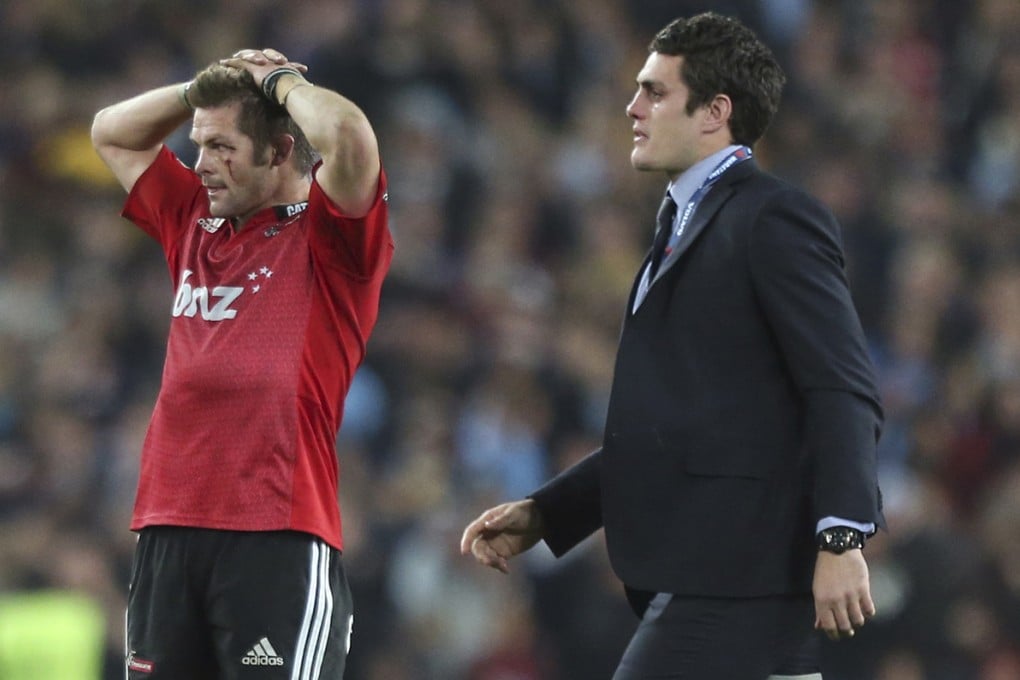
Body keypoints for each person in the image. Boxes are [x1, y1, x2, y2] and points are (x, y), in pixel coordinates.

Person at [461, 13, 884, 679]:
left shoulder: (771, 217)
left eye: (655, 92)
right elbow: (674, 430)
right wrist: (550, 512)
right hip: (722, 574)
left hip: (738, 571)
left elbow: (842, 385)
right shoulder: (680, 225)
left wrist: (841, 534)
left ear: (715, 111)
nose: (632, 108)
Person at [91, 47, 392, 679]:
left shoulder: (332, 239)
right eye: (199, 145)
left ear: (282, 151)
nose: (201, 165)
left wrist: (274, 81)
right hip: (168, 526)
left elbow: (347, 137)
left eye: (223, 147)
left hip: (276, 530)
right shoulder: (193, 220)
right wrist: (207, 89)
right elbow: (111, 133)